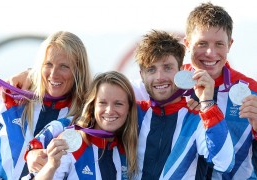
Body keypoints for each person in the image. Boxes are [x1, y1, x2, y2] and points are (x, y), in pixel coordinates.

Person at [0, 31, 91, 179]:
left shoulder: (85, 116)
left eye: (64, 66)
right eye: (48, 64)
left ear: (79, 70)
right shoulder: (11, 96)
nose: (53, 74)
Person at [134, 29, 234, 179]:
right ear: (142, 75)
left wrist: (207, 104)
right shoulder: (133, 113)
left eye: (167, 68)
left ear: (181, 70)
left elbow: (224, 163)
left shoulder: (197, 117)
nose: (160, 77)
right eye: (151, 69)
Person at [181, 3, 257, 179]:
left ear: (230, 45)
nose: (210, 52)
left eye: (219, 44)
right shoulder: (171, 87)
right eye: (202, 43)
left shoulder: (251, 90)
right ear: (187, 44)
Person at [23, 71, 138, 180]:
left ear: (129, 109)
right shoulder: (71, 141)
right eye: (102, 103)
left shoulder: (128, 149)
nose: (109, 110)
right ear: (93, 106)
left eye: (118, 104)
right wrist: (51, 166)